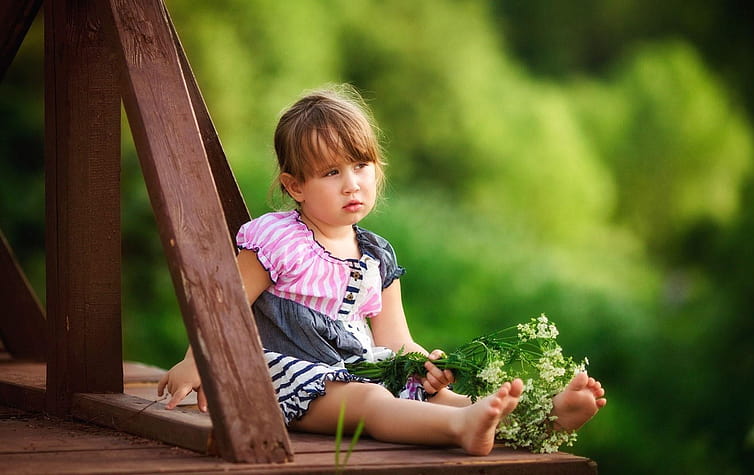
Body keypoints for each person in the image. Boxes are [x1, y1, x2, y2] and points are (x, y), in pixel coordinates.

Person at [157, 85, 606, 456]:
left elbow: (394, 340)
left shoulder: (376, 255)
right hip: (287, 378)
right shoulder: (277, 239)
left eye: (360, 165)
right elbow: (224, 304)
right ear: (295, 186)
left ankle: (535, 419)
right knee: (370, 400)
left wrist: (424, 364)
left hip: (358, 369)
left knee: (432, 393)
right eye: (331, 172)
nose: (351, 183)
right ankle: (461, 429)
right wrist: (196, 362)